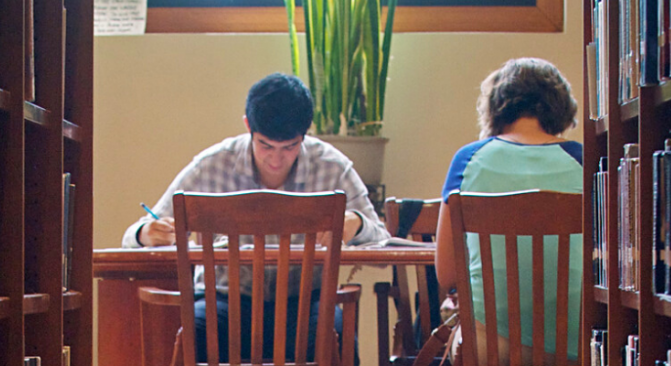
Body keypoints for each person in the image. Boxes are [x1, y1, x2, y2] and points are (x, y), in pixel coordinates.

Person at [122, 72, 389, 362]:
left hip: (306, 303)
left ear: (305, 133)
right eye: (265, 145)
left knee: (335, 339)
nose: (276, 160)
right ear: (248, 126)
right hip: (223, 302)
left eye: (289, 147)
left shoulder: (333, 167)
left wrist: (358, 225)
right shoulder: (212, 165)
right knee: (194, 337)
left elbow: (383, 247)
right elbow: (131, 237)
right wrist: (147, 233)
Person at [434, 58, 586, 361]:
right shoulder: (585, 160)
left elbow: (447, 273)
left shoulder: (467, 161)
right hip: (574, 346)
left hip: (490, 347)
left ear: (496, 106)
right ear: (560, 107)